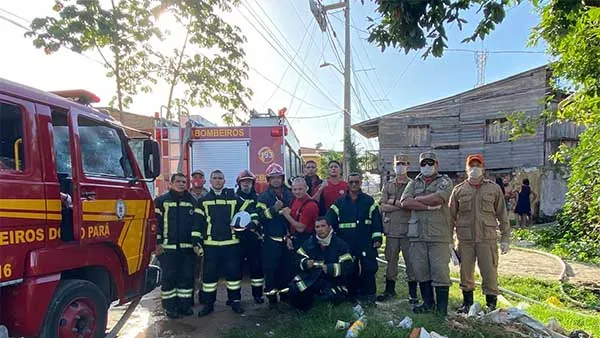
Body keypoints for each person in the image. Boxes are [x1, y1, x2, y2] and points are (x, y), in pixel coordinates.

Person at [449, 154, 511, 312]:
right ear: (466, 169)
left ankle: (491, 306)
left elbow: (502, 215)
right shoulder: (458, 190)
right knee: (466, 273)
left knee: (489, 273)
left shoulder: (494, 189)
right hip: (465, 240)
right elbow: (450, 217)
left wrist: (505, 238)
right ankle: (467, 304)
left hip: (487, 239)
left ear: (483, 168)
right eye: (472, 166)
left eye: (478, 165)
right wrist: (449, 242)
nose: (474, 168)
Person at [400, 152, 454, 316]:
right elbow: (404, 202)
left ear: (436, 165)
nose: (427, 167)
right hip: (417, 234)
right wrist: (426, 205)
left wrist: (417, 199)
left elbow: (440, 198)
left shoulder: (444, 181)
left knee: (440, 271)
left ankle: (441, 308)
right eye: (423, 164)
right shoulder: (414, 182)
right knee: (420, 269)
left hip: (438, 235)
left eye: (430, 163)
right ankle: (428, 304)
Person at [326, 172, 383, 306]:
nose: (353, 184)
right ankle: (351, 295)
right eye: (351, 182)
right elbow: (329, 219)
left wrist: (377, 238)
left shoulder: (369, 201)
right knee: (349, 268)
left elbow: (376, 222)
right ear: (347, 183)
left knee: (369, 268)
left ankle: (369, 295)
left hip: (366, 241)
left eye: (356, 182)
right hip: (347, 242)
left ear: (360, 183)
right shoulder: (339, 202)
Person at [197, 170, 248, 316]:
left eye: (220, 178)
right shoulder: (203, 200)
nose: (218, 181)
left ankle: (235, 301)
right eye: (215, 178)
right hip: (211, 245)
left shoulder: (234, 198)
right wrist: (196, 241)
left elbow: (247, 211)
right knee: (209, 278)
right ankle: (208, 304)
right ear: (210, 181)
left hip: (231, 244)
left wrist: (248, 224)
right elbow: (198, 223)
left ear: (224, 181)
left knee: (233, 276)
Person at [154, 173, 202, 319]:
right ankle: (170, 308)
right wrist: (157, 243)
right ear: (171, 183)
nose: (182, 184)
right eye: (178, 181)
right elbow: (156, 224)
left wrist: (196, 243)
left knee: (187, 278)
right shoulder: (162, 201)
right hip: (168, 249)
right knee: (169, 278)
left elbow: (197, 224)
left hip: (187, 249)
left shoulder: (192, 201)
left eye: (184, 182)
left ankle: (184, 306)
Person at [377, 153, 418, 305]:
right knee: (391, 261)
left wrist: (393, 202)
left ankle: (413, 294)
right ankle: (389, 290)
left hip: (409, 231)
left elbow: (412, 205)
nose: (400, 166)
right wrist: (401, 204)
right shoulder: (388, 185)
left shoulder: (413, 184)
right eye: (397, 163)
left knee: (411, 263)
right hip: (392, 230)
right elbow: (382, 206)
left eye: (403, 163)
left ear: (408, 165)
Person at [288, 217, 354, 311]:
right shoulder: (309, 243)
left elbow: (348, 267)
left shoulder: (340, 245)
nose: (320, 229)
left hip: (333, 280)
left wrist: (330, 268)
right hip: (311, 278)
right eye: (317, 227)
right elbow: (297, 259)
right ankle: (303, 311)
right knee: (294, 289)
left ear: (330, 227)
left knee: (332, 297)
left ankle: (324, 313)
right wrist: (305, 263)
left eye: (323, 226)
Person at [256, 163, 294, 309]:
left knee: (286, 269)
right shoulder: (263, 197)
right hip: (271, 240)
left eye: (279, 177)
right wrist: (273, 209)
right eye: (273, 178)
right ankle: (272, 299)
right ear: (269, 180)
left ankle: (285, 296)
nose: (276, 180)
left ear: (282, 178)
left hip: (287, 240)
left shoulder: (289, 194)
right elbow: (260, 217)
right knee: (271, 270)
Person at [234, 169, 265, 304]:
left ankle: (257, 295)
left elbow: (260, 214)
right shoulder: (233, 199)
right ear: (239, 184)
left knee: (256, 268)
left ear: (253, 184)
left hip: (254, 238)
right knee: (235, 269)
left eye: (249, 182)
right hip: (237, 239)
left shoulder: (258, 198)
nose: (246, 184)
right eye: (244, 182)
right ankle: (235, 298)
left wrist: (255, 222)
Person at [281, 177, 319, 251]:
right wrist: (288, 237)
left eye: (300, 189)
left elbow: (301, 228)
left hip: (307, 240)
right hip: (295, 238)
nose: (297, 192)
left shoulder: (310, 205)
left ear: (306, 188)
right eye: (295, 189)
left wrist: (287, 215)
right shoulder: (295, 200)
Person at [189, 169, 208, 305]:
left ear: (204, 180)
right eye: (195, 177)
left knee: (203, 270)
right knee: (190, 269)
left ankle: (203, 296)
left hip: (204, 238)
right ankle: (189, 297)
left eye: (200, 177)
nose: (197, 179)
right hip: (188, 238)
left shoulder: (208, 196)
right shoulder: (185, 195)